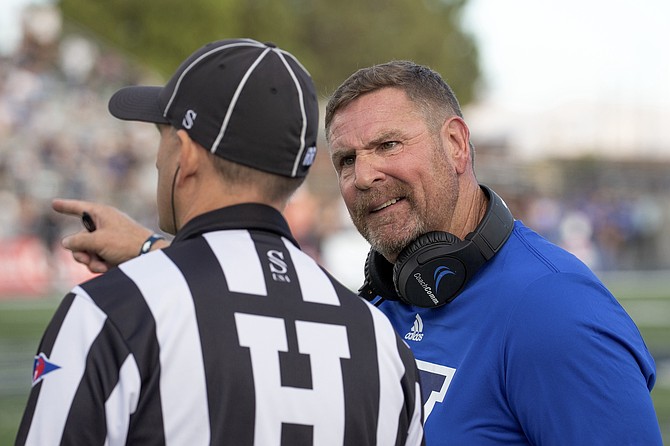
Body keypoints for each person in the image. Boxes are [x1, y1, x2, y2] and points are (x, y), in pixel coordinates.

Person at [49, 59, 662, 445]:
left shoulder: (552, 311)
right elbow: (261, 303)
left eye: (388, 144)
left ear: (455, 144)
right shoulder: (382, 303)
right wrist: (157, 250)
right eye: (345, 159)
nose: (364, 176)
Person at [16, 40, 425, 446]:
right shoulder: (381, 340)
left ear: (187, 155)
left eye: (164, 136)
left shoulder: (111, 310)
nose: (159, 159)